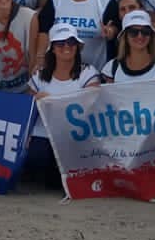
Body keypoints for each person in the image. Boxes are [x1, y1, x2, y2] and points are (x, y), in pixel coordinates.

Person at [28, 23, 103, 191]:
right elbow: (26, 109)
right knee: (36, 157)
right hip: (44, 133)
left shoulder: (88, 72)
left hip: (75, 135)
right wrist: (35, 100)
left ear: (77, 46)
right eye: (60, 43)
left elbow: (92, 102)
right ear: (52, 49)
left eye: (71, 42)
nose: (66, 47)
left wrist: (52, 101)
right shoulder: (39, 75)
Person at [101, 10, 155, 83]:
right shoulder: (111, 69)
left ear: (151, 35)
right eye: (133, 32)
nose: (140, 36)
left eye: (145, 31)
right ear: (125, 36)